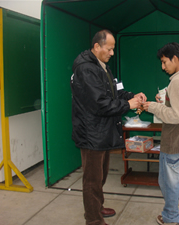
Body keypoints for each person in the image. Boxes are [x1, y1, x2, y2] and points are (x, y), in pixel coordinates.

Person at [71, 30, 146, 225]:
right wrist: (128, 105)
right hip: (91, 133)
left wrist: (132, 96)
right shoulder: (86, 69)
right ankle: (93, 219)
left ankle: (97, 207)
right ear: (97, 46)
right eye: (109, 48)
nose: (112, 53)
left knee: (101, 176)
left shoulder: (102, 67)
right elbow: (100, 103)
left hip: (101, 132)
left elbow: (116, 91)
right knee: (92, 180)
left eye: (113, 49)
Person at [143, 42, 179, 225]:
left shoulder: (177, 81)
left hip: (175, 143)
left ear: (174, 59)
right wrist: (165, 101)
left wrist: (154, 107)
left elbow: (178, 115)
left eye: (164, 62)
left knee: (170, 184)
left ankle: (170, 218)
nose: (163, 67)